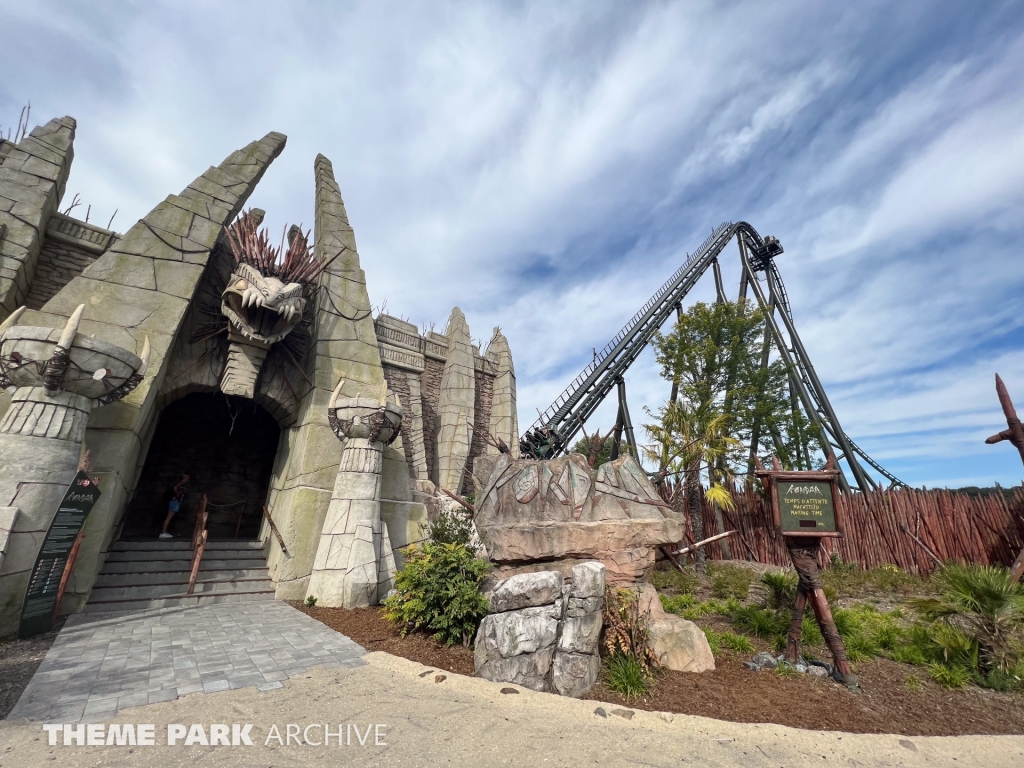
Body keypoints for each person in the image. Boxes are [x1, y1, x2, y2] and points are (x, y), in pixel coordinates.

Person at [159, 474, 190, 539]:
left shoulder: (182, 485)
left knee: (170, 517)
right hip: (175, 502)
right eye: (186, 478)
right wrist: (177, 495)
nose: (188, 479)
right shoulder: (180, 484)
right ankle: (163, 532)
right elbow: (175, 488)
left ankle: (164, 531)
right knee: (169, 517)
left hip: (176, 502)